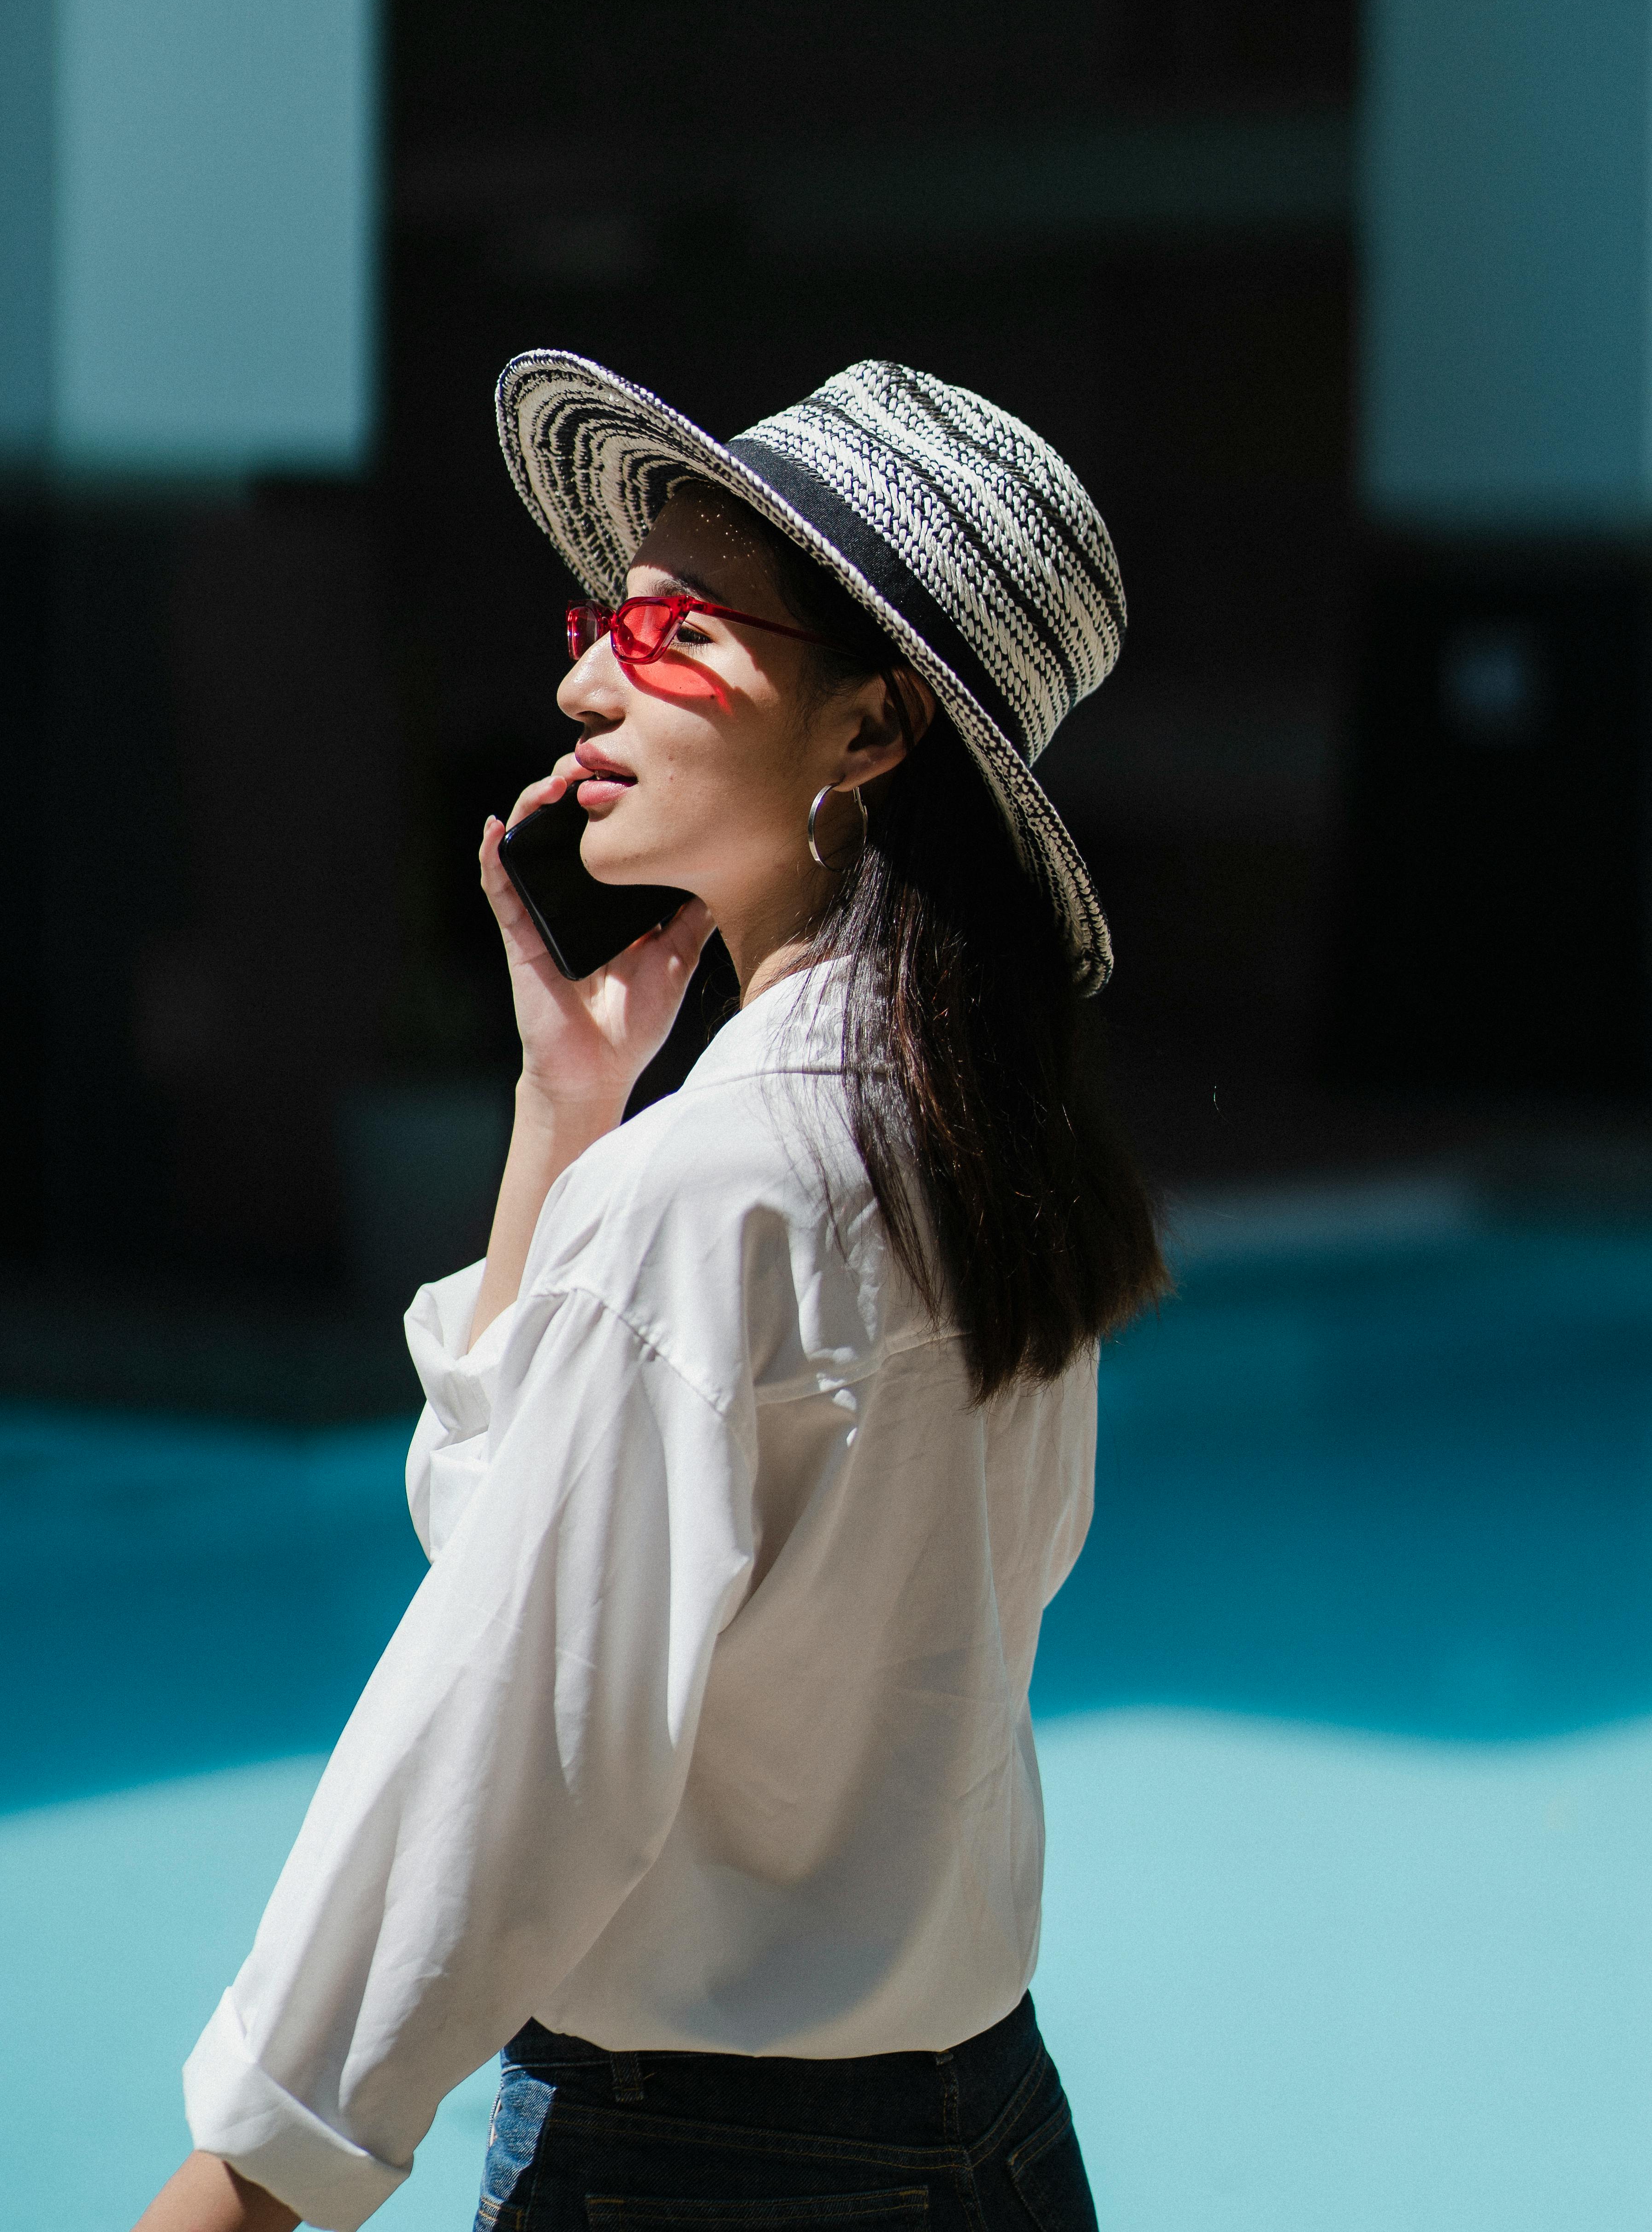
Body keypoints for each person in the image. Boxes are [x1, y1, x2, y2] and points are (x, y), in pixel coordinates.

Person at [135, 353, 1167, 2232]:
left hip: (701, 2168)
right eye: (603, 620)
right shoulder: (983, 1143)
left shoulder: (720, 1193)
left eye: (677, 631)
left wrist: (249, 2183)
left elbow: (507, 1750)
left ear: (870, 735)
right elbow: (521, 1538)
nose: (582, 681)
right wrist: (568, 1111)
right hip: (995, 2142)